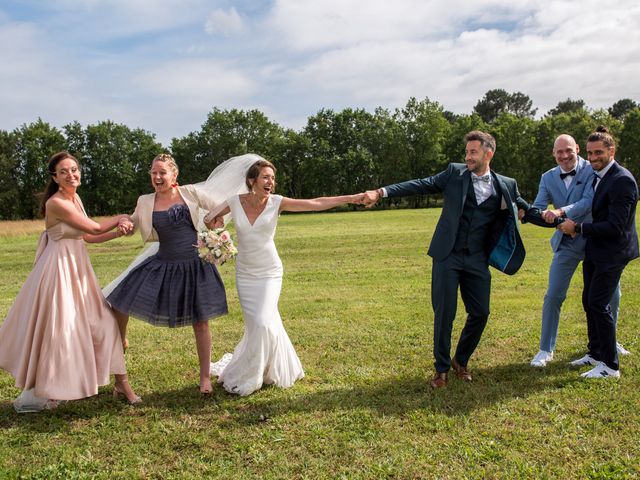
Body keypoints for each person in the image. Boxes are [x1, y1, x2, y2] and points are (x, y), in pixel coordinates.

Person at [363, 131, 553, 389]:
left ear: (489, 153)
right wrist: (381, 192)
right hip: (447, 255)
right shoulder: (455, 173)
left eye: (473, 152)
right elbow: (421, 184)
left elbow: (528, 211)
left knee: (481, 312)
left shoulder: (506, 184)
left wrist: (562, 223)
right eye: (466, 152)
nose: (468, 157)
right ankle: (441, 370)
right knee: (445, 313)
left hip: (477, 258)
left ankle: (460, 360)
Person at [209, 158, 364, 396]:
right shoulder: (234, 202)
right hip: (245, 274)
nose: (270, 181)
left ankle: (253, 376)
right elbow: (209, 219)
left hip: (269, 272)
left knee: (262, 322)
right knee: (260, 325)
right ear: (252, 181)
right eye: (265, 177)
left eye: (272, 177)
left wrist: (350, 198)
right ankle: (269, 370)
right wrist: (218, 227)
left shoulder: (277, 202)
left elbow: (315, 203)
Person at [0, 151, 140, 412]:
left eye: (74, 169)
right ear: (55, 177)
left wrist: (117, 235)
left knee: (105, 322)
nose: (71, 174)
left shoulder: (75, 198)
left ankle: (122, 384)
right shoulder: (56, 203)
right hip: (58, 271)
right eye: (63, 171)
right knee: (62, 331)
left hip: (79, 269)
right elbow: (94, 228)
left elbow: (87, 238)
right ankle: (54, 388)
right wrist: (121, 217)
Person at [104, 153, 230, 394]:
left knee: (201, 322)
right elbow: (133, 223)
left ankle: (205, 378)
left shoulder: (190, 193)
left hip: (195, 265)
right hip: (164, 262)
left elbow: (218, 210)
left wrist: (215, 223)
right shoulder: (145, 201)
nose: (157, 177)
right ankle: (121, 341)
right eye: (153, 172)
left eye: (162, 172)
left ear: (174, 175)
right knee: (118, 302)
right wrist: (125, 225)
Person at [529, 134, 628, 368]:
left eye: (568, 151)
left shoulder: (593, 169)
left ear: (577, 150)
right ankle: (545, 349)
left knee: (612, 295)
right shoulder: (547, 177)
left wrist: (561, 212)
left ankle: (609, 343)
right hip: (567, 242)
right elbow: (539, 208)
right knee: (553, 294)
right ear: (553, 153)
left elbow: (588, 202)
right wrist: (535, 214)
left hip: (595, 239)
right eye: (559, 152)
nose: (564, 156)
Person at [558, 126, 638, 378]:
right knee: (588, 300)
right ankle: (595, 353)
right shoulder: (599, 175)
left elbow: (615, 226)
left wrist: (578, 227)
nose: (593, 158)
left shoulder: (621, 180)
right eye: (590, 153)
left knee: (598, 302)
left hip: (613, 252)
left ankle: (610, 366)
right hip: (596, 249)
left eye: (599, 153)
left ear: (612, 151)